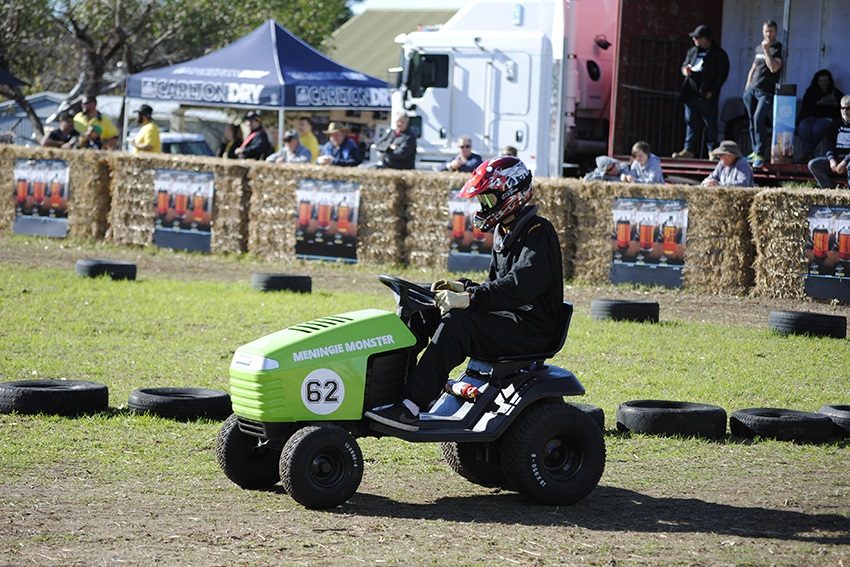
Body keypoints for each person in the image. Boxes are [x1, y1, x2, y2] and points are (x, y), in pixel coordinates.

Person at [365, 156, 563, 431]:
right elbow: (497, 283)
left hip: (531, 328)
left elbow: (520, 286)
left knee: (458, 323)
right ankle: (390, 391)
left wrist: (472, 299)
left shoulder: (538, 231)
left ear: (510, 195)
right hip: (508, 319)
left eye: (488, 201)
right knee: (423, 312)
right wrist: (463, 287)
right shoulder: (505, 230)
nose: (483, 207)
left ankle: (411, 405)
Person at [672, 24, 729, 159]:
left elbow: (722, 75)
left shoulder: (718, 54)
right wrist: (685, 71)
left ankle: (712, 151)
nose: (695, 40)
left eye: (698, 38)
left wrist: (713, 91)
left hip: (707, 94)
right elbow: (684, 65)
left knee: (710, 123)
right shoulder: (692, 51)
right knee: (691, 121)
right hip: (690, 92)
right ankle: (688, 149)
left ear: (706, 39)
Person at [742, 20, 783, 168]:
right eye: (766, 31)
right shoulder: (758, 47)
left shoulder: (777, 48)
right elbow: (754, 67)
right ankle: (754, 151)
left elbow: (774, 68)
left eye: (771, 31)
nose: (768, 34)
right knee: (752, 121)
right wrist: (747, 85)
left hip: (766, 92)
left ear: (776, 32)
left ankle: (760, 153)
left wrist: (767, 51)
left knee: (759, 119)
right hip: (752, 89)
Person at [798, 69, 844, 161]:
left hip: (827, 118)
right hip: (810, 117)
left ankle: (807, 152)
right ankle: (809, 152)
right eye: (821, 81)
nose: (824, 83)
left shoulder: (836, 93)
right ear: (817, 82)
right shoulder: (811, 92)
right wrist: (818, 103)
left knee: (817, 128)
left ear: (829, 81)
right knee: (803, 127)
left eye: (826, 81)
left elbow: (842, 107)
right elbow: (806, 107)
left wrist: (834, 104)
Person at [808, 94, 850, 188]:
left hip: (848, 160)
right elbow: (828, 143)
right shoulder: (835, 124)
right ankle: (831, 190)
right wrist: (831, 160)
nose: (845, 111)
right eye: (842, 108)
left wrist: (845, 161)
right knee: (813, 164)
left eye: (848, 108)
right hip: (836, 159)